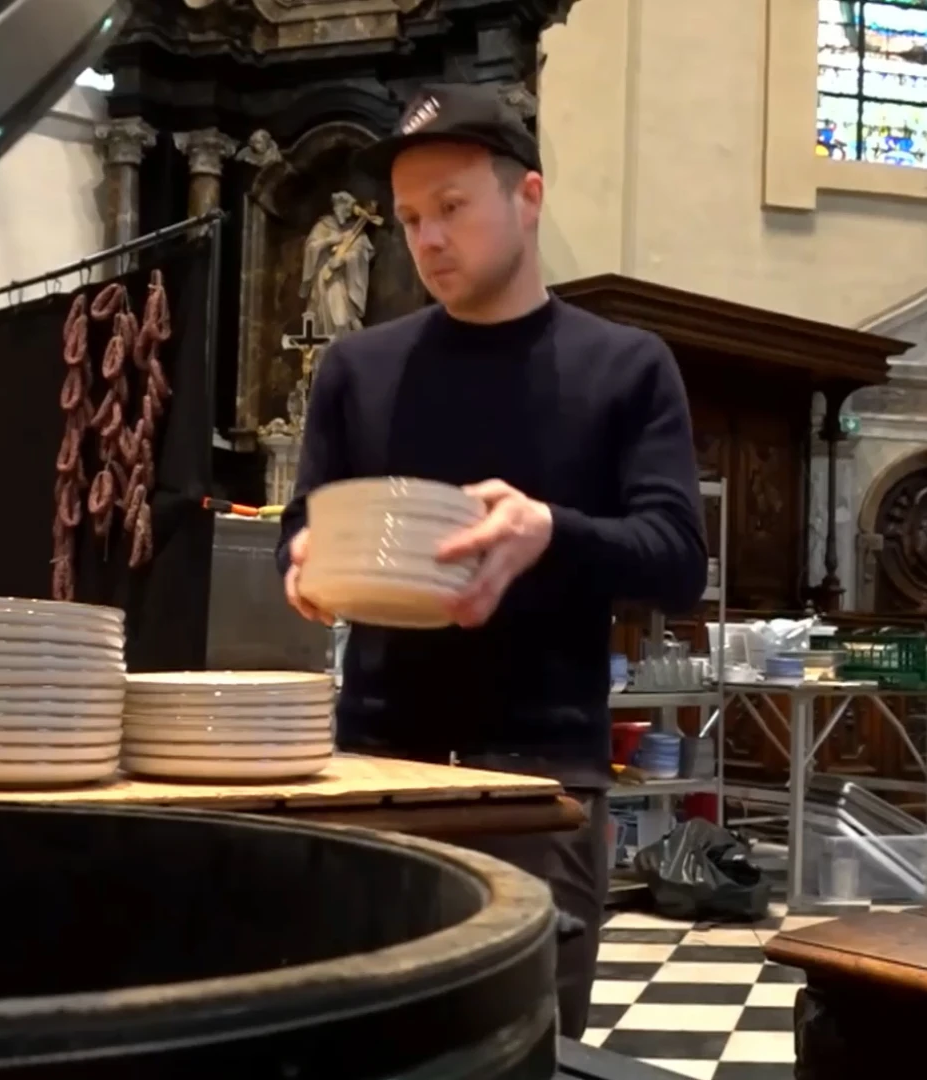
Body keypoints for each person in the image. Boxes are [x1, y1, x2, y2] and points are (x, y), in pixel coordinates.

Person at [273, 83, 707, 1040]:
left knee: (523, 1045)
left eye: (452, 209)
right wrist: (303, 562)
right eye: (411, 219)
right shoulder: (360, 370)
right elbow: (297, 528)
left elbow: (678, 559)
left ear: (530, 197)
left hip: (542, 780)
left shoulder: (626, 367)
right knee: (366, 1040)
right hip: (378, 764)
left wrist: (551, 530)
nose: (426, 241)